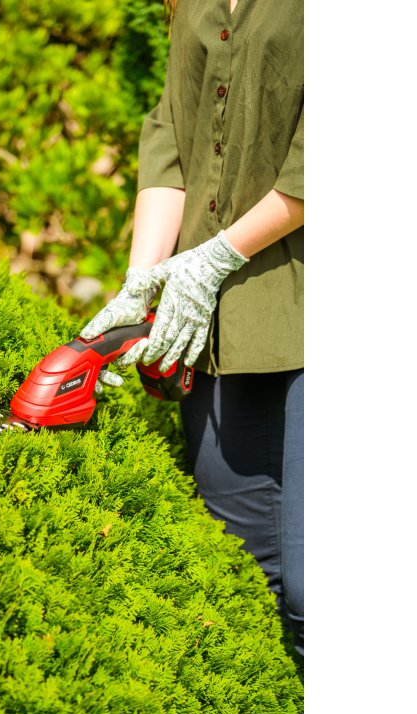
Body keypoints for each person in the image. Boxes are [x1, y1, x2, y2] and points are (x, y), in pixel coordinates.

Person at [79, 0, 304, 659]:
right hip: (221, 328)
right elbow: (174, 132)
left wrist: (215, 256)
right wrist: (141, 279)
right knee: (247, 587)